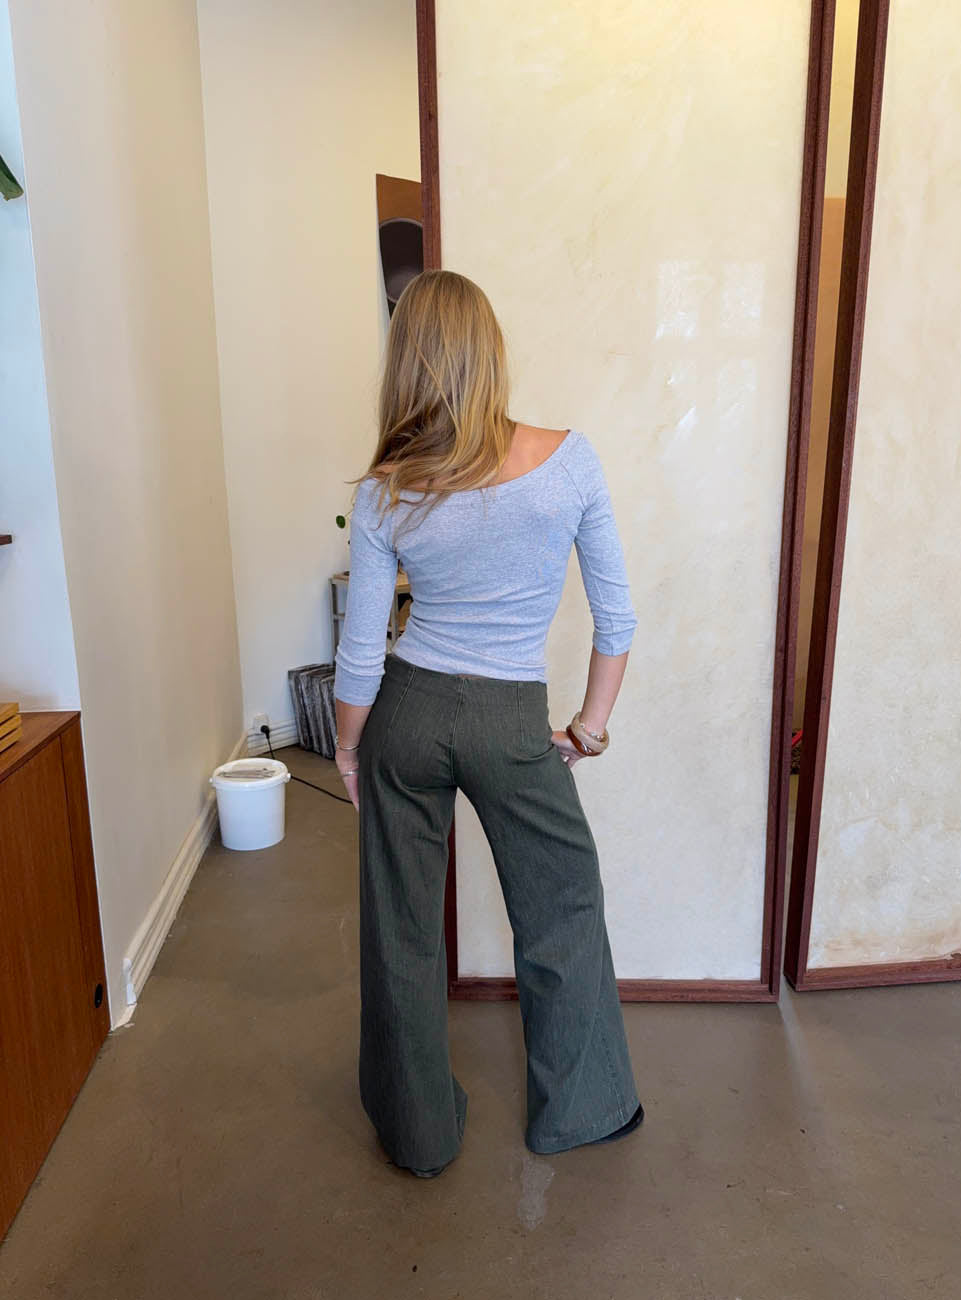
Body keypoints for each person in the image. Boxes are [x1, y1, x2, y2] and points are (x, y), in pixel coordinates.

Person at [334, 269, 643, 1178]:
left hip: (407, 711)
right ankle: (576, 1114)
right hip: (510, 719)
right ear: (490, 351)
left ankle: (418, 1135)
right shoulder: (568, 461)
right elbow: (617, 621)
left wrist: (348, 750)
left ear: (406, 362)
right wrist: (585, 731)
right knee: (562, 905)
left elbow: (361, 648)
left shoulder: (387, 488)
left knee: (399, 926)